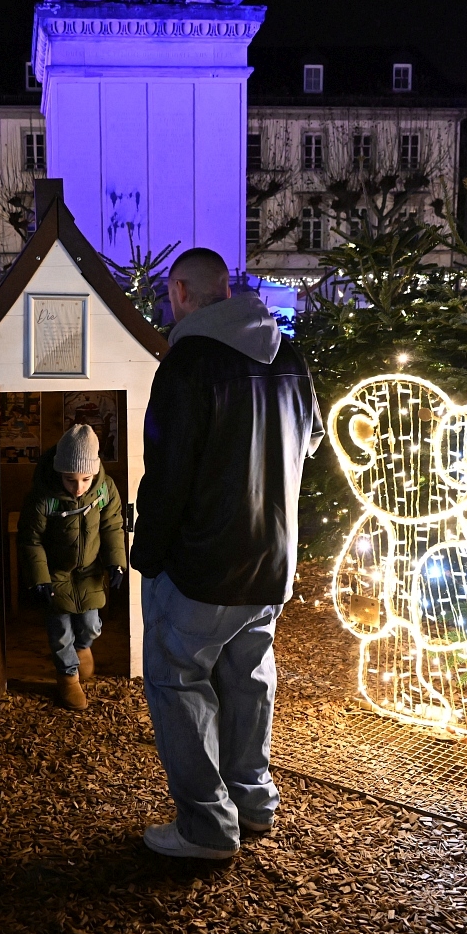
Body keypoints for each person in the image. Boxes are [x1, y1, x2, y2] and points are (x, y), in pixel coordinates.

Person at [131, 247, 323, 860]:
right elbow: (310, 443)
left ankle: (208, 826)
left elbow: (167, 477)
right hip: (271, 561)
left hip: (203, 567)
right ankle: (253, 801)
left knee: (179, 681)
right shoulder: (289, 357)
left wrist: (147, 555)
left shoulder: (186, 365)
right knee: (249, 680)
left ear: (181, 293)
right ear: (227, 291)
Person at [17, 424, 126, 711]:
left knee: (90, 624)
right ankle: (67, 676)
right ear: (58, 472)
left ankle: (83, 646)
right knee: (60, 629)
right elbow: (30, 539)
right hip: (55, 572)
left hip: (89, 570)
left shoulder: (104, 489)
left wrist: (116, 562)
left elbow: (112, 525)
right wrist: (39, 577)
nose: (78, 488)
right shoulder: (43, 496)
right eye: (70, 479)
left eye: (85, 479)